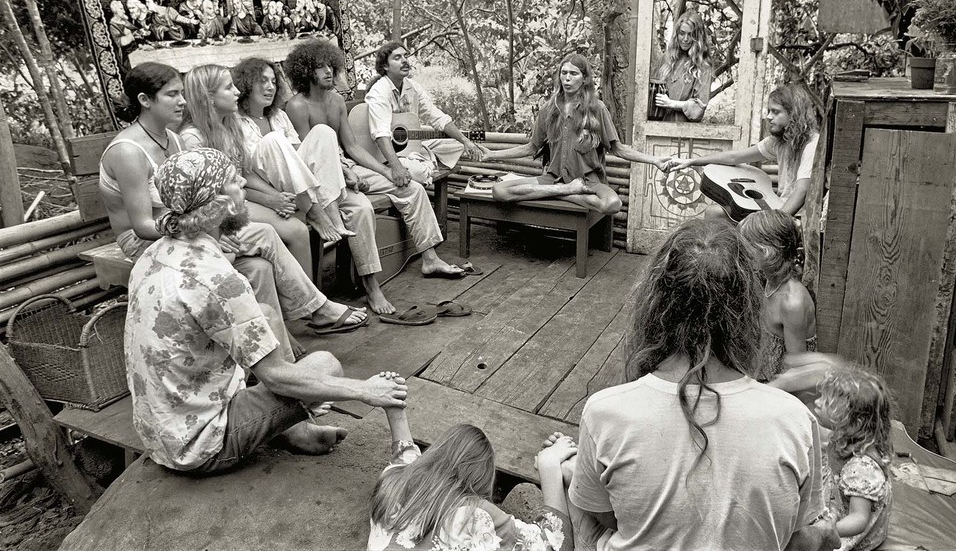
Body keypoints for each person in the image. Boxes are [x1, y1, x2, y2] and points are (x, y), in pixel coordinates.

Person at [125, 147, 403, 474]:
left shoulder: (155, 252)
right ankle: (290, 430)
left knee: (268, 316)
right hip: (199, 444)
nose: (243, 181)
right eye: (232, 181)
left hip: (161, 428)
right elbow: (275, 377)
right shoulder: (217, 280)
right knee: (325, 364)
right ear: (217, 204)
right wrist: (367, 390)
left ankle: (287, 428)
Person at [568, 220, 834, 550]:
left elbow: (610, 516)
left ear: (655, 306)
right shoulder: (794, 420)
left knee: (571, 487)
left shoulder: (604, 412)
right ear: (747, 308)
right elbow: (794, 528)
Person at [99, 63, 365, 348]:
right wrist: (207, 232)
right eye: (172, 95)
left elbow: (197, 199)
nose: (182, 101)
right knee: (264, 235)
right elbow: (142, 226)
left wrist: (215, 230)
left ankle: (278, 339)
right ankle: (315, 309)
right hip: (149, 241)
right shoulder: (128, 151)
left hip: (186, 228)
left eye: (182, 93)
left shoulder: (172, 138)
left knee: (260, 266)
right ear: (144, 100)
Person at [284, 39, 469, 315]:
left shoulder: (335, 101)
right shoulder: (298, 106)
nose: (328, 72)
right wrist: (345, 174)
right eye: (319, 67)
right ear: (306, 71)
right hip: (318, 178)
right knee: (362, 210)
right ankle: (372, 286)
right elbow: (303, 160)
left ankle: (430, 258)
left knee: (413, 188)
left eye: (330, 66)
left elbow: (353, 147)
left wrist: (387, 171)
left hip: (346, 166)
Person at [368, 402, 575, 551]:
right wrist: (550, 468)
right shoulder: (474, 514)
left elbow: (404, 456)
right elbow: (553, 544)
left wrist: (396, 413)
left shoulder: (392, 481)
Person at [483, 53, 672, 214]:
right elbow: (531, 147)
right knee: (499, 190)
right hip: (553, 178)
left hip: (587, 181)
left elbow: (619, 149)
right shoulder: (548, 109)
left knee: (612, 204)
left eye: (573, 74)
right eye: (564, 73)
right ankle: (566, 190)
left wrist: (654, 160)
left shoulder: (597, 109)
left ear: (585, 79)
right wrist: (492, 155)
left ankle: (561, 192)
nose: (567, 78)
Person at [179, 64, 319, 280]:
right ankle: (308, 306)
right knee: (295, 231)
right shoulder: (194, 139)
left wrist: (273, 198)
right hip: (218, 211)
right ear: (208, 97)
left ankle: (310, 302)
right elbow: (204, 200)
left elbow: (245, 174)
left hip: (239, 201)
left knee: (298, 229)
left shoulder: (229, 126)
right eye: (228, 88)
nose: (237, 91)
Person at [234, 56, 355, 243]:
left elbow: (299, 154)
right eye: (263, 81)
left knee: (323, 131)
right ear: (246, 84)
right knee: (274, 140)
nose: (270, 87)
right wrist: (274, 197)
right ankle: (315, 212)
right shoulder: (234, 122)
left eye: (274, 82)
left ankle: (332, 213)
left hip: (295, 184)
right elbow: (242, 174)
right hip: (269, 188)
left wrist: (340, 166)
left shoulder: (279, 116)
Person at [669, 83, 821, 218]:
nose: (768, 117)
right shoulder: (779, 142)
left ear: (793, 114)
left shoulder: (812, 145)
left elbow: (802, 191)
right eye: (769, 111)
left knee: (745, 225)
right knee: (713, 213)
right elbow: (734, 157)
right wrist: (692, 161)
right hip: (777, 206)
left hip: (796, 217)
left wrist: (773, 225)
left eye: (775, 112)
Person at [365, 42, 484, 186]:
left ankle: (422, 161)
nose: (404, 60)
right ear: (385, 66)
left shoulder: (412, 87)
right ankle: (422, 163)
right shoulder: (379, 91)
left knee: (456, 145)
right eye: (397, 57)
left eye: (405, 56)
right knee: (419, 173)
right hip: (384, 154)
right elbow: (381, 133)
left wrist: (465, 141)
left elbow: (436, 116)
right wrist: (396, 167)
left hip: (409, 148)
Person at [814, 366, 893, 551]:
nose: (817, 402)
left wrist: (826, 530)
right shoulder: (843, 437)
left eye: (826, 401)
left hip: (850, 534)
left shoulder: (862, 468)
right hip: (838, 508)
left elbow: (859, 519)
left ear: (852, 422)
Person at [738, 209, 817, 381]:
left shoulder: (792, 303)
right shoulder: (768, 281)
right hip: (762, 377)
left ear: (769, 252)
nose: (744, 256)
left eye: (749, 250)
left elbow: (797, 373)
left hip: (782, 389)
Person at [652, 9, 714, 122]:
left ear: (698, 37)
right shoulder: (666, 58)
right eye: (682, 33)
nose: (685, 39)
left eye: (690, 35)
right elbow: (651, 91)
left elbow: (699, 108)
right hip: (658, 127)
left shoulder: (703, 66)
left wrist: (671, 103)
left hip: (683, 131)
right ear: (677, 34)